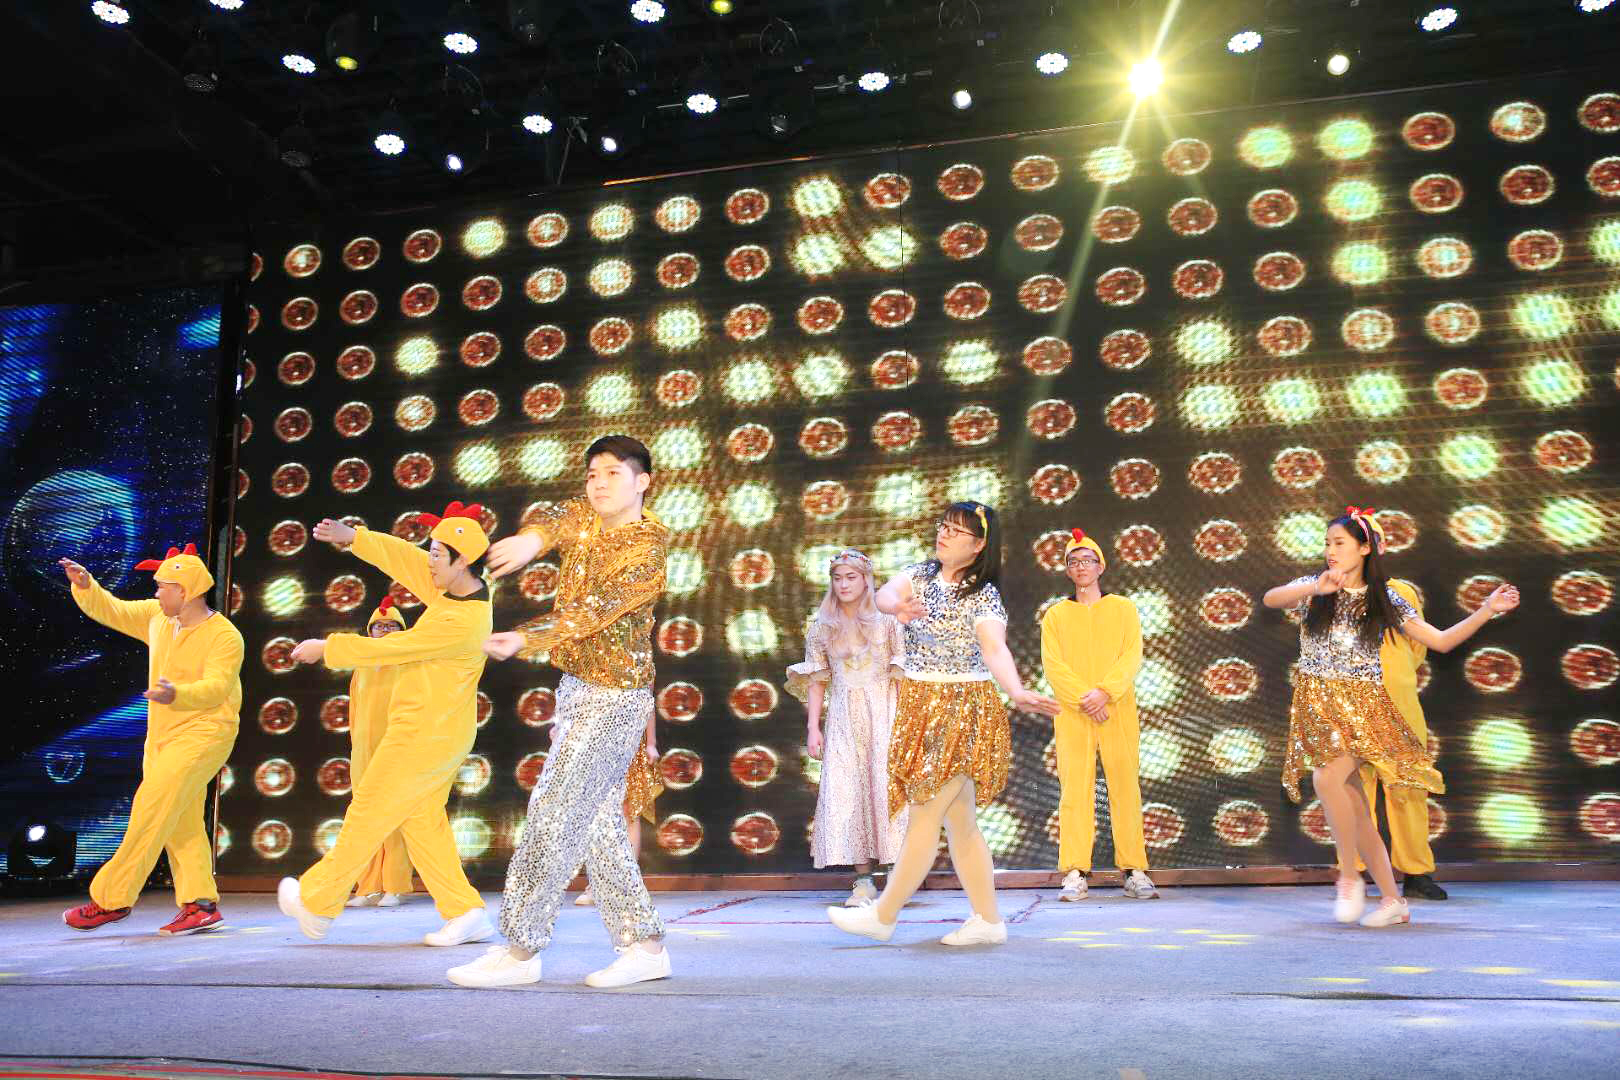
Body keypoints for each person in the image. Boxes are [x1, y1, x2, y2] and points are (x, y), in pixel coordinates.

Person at [447, 435, 671, 989]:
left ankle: (519, 950)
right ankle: (644, 947)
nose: (599, 483)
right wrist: (530, 540)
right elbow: (558, 517)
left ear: (642, 482)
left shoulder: (647, 551)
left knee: (554, 811)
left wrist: (527, 637)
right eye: (592, 473)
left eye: (613, 473)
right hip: (577, 690)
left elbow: (593, 612)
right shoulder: (586, 519)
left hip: (615, 698)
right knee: (597, 825)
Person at [1263, 507, 1519, 927]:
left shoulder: (1387, 597)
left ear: (1365, 548)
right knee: (1356, 806)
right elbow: (1271, 599)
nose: (1330, 551)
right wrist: (1316, 586)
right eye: (1327, 543)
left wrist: (1487, 609)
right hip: (1318, 706)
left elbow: (1440, 641)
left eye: (1339, 543)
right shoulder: (1314, 588)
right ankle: (1392, 900)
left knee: (1325, 779)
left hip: (1365, 709)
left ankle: (1349, 876)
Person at [828, 502, 1060, 946]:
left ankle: (884, 915)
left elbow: (994, 648)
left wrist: (1016, 690)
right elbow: (883, 597)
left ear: (979, 545)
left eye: (957, 531)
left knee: (925, 814)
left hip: (961, 709)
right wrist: (898, 608)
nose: (944, 535)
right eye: (944, 527)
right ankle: (988, 921)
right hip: (920, 703)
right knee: (961, 823)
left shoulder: (982, 595)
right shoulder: (920, 574)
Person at [277, 502, 493, 947]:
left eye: (438, 555)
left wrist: (327, 648)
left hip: (425, 734)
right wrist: (355, 538)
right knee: (422, 822)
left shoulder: (462, 619)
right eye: (431, 552)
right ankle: (465, 911)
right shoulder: (454, 590)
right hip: (436, 731)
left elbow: (392, 649)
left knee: (370, 809)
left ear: (462, 562)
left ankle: (317, 903)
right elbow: (406, 559)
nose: (428, 561)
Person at [58, 545, 243, 936]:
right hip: (162, 736)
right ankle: (200, 904)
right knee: (180, 821)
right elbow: (114, 610)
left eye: (163, 587)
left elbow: (216, 687)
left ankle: (111, 898)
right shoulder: (158, 618)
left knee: (150, 809)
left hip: (206, 731)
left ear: (186, 591)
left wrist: (177, 693)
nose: (156, 593)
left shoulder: (224, 635)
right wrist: (87, 586)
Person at [1040, 527, 1157, 902]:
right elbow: (1053, 665)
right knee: (1074, 789)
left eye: (1088, 560)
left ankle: (1134, 869)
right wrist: (1084, 697)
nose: (1081, 567)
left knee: (1125, 786)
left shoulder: (1123, 608)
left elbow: (1131, 654)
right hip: (1073, 713)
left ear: (1100, 566)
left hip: (1116, 708)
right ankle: (1075, 871)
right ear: (1067, 570)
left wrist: (1105, 692)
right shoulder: (1056, 615)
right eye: (1074, 561)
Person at [787, 549, 907, 907]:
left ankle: (900, 874)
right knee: (849, 790)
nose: (844, 584)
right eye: (838, 578)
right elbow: (817, 680)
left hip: (884, 712)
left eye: (851, 577)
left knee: (887, 788)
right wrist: (813, 728)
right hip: (843, 718)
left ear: (866, 580)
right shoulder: (823, 627)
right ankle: (863, 879)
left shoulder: (887, 622)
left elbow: (901, 676)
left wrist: (906, 722)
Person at [345, 594, 415, 908]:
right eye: (379, 626)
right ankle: (367, 886)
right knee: (364, 818)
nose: (385, 631)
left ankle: (396, 885)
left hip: (397, 749)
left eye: (391, 626)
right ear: (370, 632)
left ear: (402, 631)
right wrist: (357, 747)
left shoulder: (409, 664)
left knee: (395, 816)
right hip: (364, 752)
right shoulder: (362, 666)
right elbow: (354, 711)